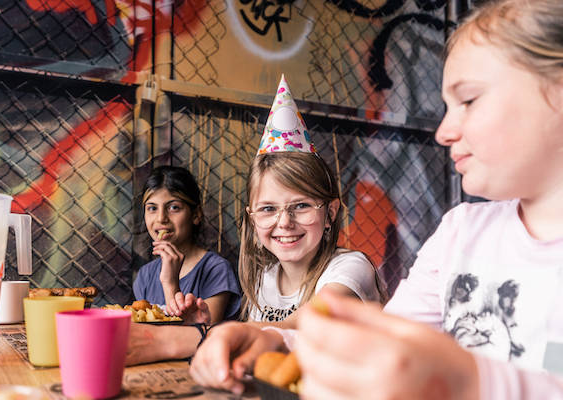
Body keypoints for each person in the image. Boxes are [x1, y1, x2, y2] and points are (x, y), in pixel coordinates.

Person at [192, 0, 563, 397]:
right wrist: (276, 342)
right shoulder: (461, 233)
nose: (443, 132)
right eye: (446, 107)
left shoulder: (351, 266)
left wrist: (466, 381)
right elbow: (386, 349)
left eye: (469, 100)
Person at [189, 75, 387, 388]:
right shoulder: (264, 279)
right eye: (268, 209)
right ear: (252, 220)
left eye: (301, 206)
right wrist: (208, 330)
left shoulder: (350, 268)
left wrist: (250, 335)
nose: (284, 222)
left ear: (330, 213)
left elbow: (314, 321)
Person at [132, 166, 241, 323]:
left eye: (174, 207)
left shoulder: (217, 270)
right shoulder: (145, 275)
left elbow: (203, 335)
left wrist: (170, 283)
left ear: (196, 215)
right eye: (152, 208)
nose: (161, 218)